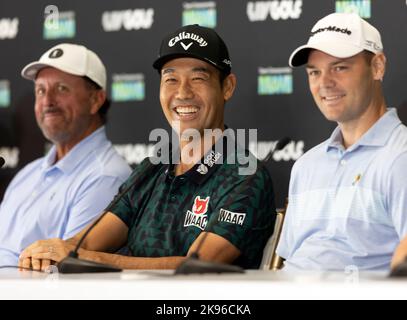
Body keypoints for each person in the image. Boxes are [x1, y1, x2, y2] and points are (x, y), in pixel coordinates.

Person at [19, 25, 276, 272]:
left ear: (227, 87)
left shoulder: (245, 175)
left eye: (198, 78)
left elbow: (196, 265)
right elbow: (85, 243)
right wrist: (52, 251)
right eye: (171, 79)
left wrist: (84, 257)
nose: (182, 92)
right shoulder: (151, 169)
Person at [276, 13, 407, 271]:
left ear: (378, 66)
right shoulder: (306, 166)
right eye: (314, 72)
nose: (324, 83)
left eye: (340, 67)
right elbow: (289, 262)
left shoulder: (400, 156)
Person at [0, 43, 131, 267]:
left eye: (61, 88)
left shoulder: (106, 176)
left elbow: (67, 273)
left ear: (96, 100)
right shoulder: (28, 173)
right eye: (40, 90)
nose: (47, 101)